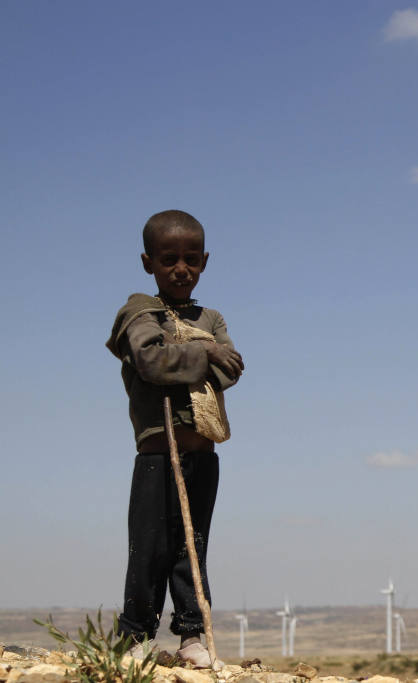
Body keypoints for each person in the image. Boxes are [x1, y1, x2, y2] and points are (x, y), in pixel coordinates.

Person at [106, 210, 244, 668]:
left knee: (192, 546)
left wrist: (186, 354)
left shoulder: (212, 316)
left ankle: (192, 635)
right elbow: (149, 360)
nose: (181, 269)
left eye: (191, 259)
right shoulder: (138, 312)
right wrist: (204, 349)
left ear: (205, 260)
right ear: (149, 263)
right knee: (149, 548)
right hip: (156, 454)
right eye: (169, 260)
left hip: (202, 455)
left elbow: (231, 369)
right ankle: (136, 638)